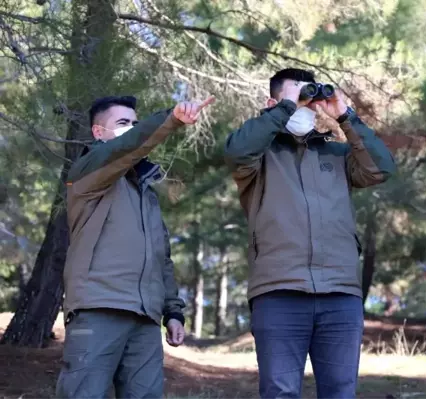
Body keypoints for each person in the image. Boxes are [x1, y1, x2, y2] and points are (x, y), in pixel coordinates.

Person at [224, 68, 396, 399]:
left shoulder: (336, 153)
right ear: (272, 102)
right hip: (279, 291)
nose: (304, 105)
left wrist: (345, 117)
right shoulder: (258, 156)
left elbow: (381, 169)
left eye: (308, 98)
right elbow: (236, 152)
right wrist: (284, 109)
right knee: (280, 392)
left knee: (340, 393)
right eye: (295, 98)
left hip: (340, 292)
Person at [56, 94, 215, 399]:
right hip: (98, 307)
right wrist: (171, 120)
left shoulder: (145, 192)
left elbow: (161, 258)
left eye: (135, 123)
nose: (131, 128)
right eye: (122, 122)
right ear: (98, 132)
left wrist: (173, 312)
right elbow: (127, 148)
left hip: (144, 318)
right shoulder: (87, 174)